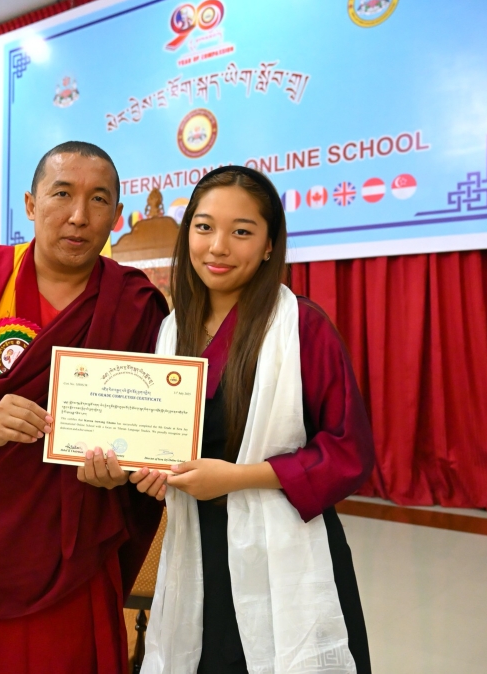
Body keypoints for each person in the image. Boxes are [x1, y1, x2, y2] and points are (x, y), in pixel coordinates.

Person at [0, 141, 169, 673]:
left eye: (99, 200)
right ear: (31, 204)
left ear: (117, 215)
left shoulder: (134, 302)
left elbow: (145, 426)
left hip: (79, 534)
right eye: (62, 194)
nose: (79, 216)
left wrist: (119, 471)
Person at [133, 167, 374, 673]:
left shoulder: (302, 326)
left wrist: (238, 478)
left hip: (283, 547)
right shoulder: (170, 331)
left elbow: (346, 453)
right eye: (204, 227)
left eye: (241, 231)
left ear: (268, 245)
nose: (218, 246)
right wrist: (148, 469)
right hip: (197, 548)